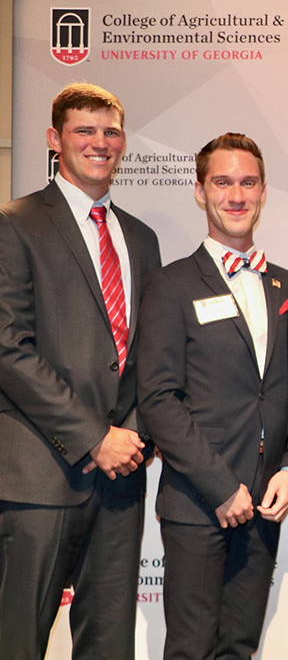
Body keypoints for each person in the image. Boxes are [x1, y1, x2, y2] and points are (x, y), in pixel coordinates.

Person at [0, 83, 161, 659]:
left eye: (111, 131)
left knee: (109, 642)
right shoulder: (14, 224)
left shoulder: (141, 239)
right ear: (54, 139)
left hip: (122, 474)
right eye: (84, 131)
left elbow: (147, 354)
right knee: (18, 638)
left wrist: (135, 435)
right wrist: (94, 438)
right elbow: (8, 349)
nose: (100, 142)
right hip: (40, 474)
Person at [137, 133, 288, 659]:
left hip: (265, 502)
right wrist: (221, 487)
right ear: (200, 191)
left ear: (263, 192)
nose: (236, 195)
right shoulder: (171, 284)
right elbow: (159, 399)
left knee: (240, 647)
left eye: (248, 182)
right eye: (223, 182)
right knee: (191, 649)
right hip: (198, 501)